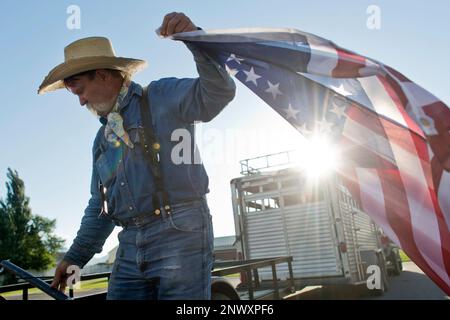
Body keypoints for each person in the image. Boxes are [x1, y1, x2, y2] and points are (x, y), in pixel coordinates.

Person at [39, 12, 236, 300]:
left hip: (180, 229)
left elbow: (219, 91)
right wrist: (74, 258)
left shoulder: (161, 96)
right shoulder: (102, 141)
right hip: (129, 240)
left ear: (103, 75)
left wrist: (195, 39)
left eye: (79, 90)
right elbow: (100, 207)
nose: (80, 101)